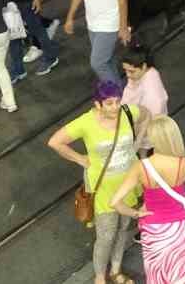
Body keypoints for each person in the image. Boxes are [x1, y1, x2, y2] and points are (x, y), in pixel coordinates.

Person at [48, 80, 142, 284]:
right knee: (106, 236)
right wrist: (81, 160)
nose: (115, 106)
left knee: (122, 229)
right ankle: (100, 277)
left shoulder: (127, 113)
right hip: (103, 189)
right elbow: (55, 142)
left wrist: (138, 142)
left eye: (118, 101)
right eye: (109, 103)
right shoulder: (86, 122)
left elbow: (147, 115)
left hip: (128, 184)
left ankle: (116, 270)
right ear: (97, 104)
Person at [107, 115, 185, 284]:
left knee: (157, 275)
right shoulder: (184, 164)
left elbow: (114, 202)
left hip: (153, 230)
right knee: (182, 275)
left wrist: (135, 213)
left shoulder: (141, 166)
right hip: (181, 230)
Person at [120, 47, 168, 118]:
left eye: (131, 71)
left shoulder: (152, 94)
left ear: (144, 66)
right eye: (125, 70)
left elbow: (151, 119)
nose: (127, 75)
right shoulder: (140, 73)